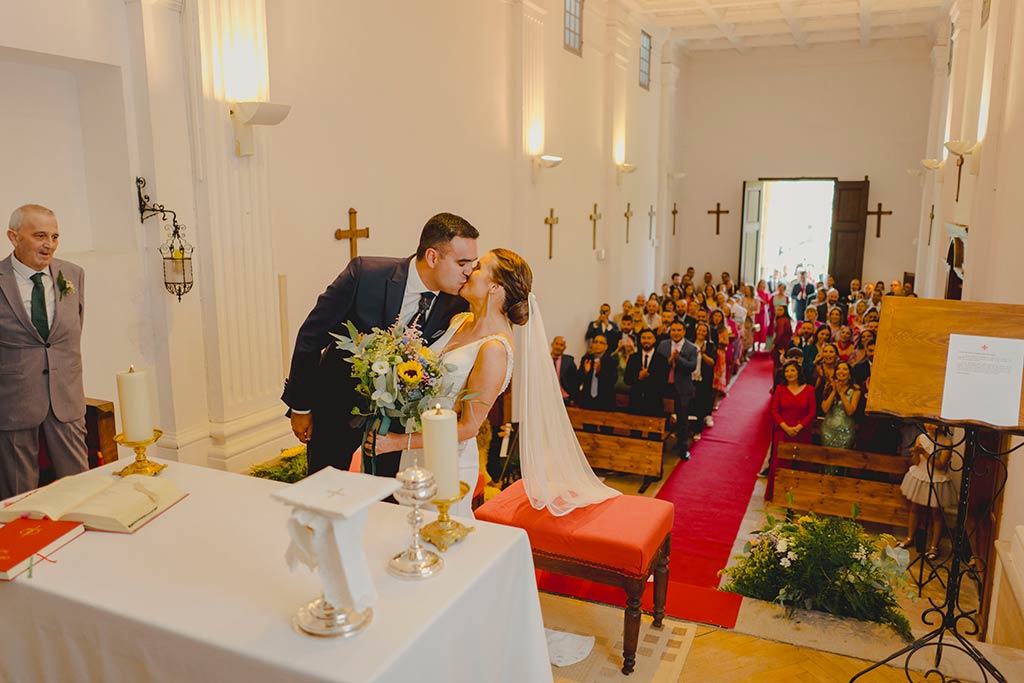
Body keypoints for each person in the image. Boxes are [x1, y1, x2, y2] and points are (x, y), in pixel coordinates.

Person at [380, 248, 617, 518]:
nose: (469, 270)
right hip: (417, 447)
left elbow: (469, 427)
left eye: (478, 267)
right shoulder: (460, 321)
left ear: (494, 286)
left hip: (448, 461)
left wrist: (396, 442)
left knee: (438, 536)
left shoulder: (495, 349)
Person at [284, 213, 478, 476]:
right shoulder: (365, 275)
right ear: (433, 257)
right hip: (336, 406)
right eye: (463, 263)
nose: (469, 273)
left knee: (387, 499)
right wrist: (301, 406)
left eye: (473, 264)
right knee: (325, 489)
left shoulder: (457, 303)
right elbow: (310, 337)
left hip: (397, 424)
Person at [0, 204, 88, 499]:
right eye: (39, 235)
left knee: (80, 490)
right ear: (13, 237)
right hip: (14, 402)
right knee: (18, 496)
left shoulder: (73, 275)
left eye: (54, 236)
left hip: (66, 397)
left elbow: (69, 333)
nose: (49, 244)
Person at [898, 424, 956, 560]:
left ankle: (934, 546)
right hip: (921, 475)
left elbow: (941, 465)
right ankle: (909, 537)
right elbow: (916, 462)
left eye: (933, 423)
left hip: (936, 479)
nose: (929, 425)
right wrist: (916, 454)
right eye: (928, 422)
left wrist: (924, 452)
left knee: (936, 513)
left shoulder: (947, 442)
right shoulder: (921, 437)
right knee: (914, 508)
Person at [658, 321, 698, 460]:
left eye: (679, 330)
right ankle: (659, 446)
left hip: (682, 388)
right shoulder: (663, 345)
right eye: (673, 330)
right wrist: (669, 361)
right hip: (665, 386)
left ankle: (683, 449)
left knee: (682, 420)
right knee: (661, 417)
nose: (676, 332)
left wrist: (678, 359)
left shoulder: (691, 347)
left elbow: (692, 366)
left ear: (683, 332)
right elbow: (657, 365)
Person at [624, 329, 668, 416]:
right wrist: (638, 377)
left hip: (654, 402)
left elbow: (663, 381)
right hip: (635, 401)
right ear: (640, 340)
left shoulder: (662, 359)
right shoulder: (633, 358)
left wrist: (648, 376)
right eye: (643, 338)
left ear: (654, 340)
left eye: (649, 338)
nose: (646, 340)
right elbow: (627, 379)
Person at [820, 360, 861, 448]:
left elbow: (850, 411)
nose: (841, 371)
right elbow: (825, 409)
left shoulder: (855, 390)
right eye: (838, 369)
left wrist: (841, 393)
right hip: (828, 429)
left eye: (845, 369)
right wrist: (834, 391)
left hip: (846, 430)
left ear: (849, 374)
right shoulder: (828, 387)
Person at [577, 334, 618, 411]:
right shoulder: (586, 359)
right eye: (595, 342)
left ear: (606, 346)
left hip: (605, 401)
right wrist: (585, 371)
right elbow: (579, 379)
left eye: (601, 342)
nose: (597, 345)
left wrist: (599, 372)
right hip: (587, 401)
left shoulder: (612, 361)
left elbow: (612, 381)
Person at [551, 335, 577, 406]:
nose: (558, 347)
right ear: (552, 344)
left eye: (561, 345)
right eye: (557, 344)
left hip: (564, 399)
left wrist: (572, 398)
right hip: (548, 397)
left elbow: (575, 382)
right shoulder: (544, 359)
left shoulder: (569, 361)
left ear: (564, 348)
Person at [771, 305, 793, 369]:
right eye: (777, 309)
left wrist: (774, 343)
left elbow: (780, 333)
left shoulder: (781, 320)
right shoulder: (786, 319)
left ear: (785, 311)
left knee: (778, 363)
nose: (778, 311)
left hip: (781, 343)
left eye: (780, 310)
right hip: (786, 342)